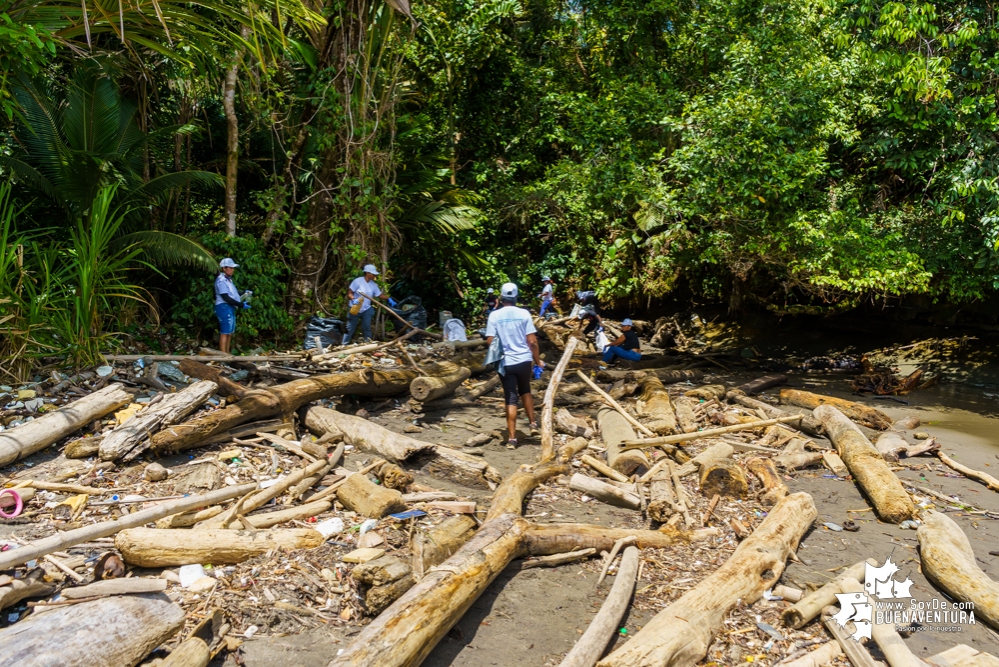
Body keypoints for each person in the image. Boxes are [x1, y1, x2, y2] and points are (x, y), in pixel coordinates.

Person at [485, 283, 545, 449]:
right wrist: (538, 360)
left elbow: (490, 340)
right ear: (516, 296)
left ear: (502, 297)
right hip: (524, 360)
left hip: (506, 362)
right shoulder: (524, 314)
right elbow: (532, 341)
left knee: (510, 397)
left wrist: (501, 349)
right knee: (525, 390)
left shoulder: (494, 316)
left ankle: (512, 439)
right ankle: (533, 424)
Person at [343, 264, 391, 345]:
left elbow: (379, 295)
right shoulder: (357, 281)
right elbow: (349, 293)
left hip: (366, 309)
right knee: (350, 328)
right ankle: (344, 344)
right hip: (355, 308)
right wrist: (353, 299)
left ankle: (368, 344)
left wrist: (388, 298)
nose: (375, 275)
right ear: (368, 273)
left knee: (366, 327)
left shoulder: (373, 285)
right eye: (373, 274)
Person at [214, 257, 249, 354]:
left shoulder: (228, 280)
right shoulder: (221, 280)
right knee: (225, 332)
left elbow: (233, 292)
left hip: (229, 308)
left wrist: (244, 292)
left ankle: (227, 354)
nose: (233, 269)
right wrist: (240, 304)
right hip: (224, 307)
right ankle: (223, 356)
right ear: (224, 268)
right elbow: (226, 297)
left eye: (233, 268)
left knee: (229, 333)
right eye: (230, 267)